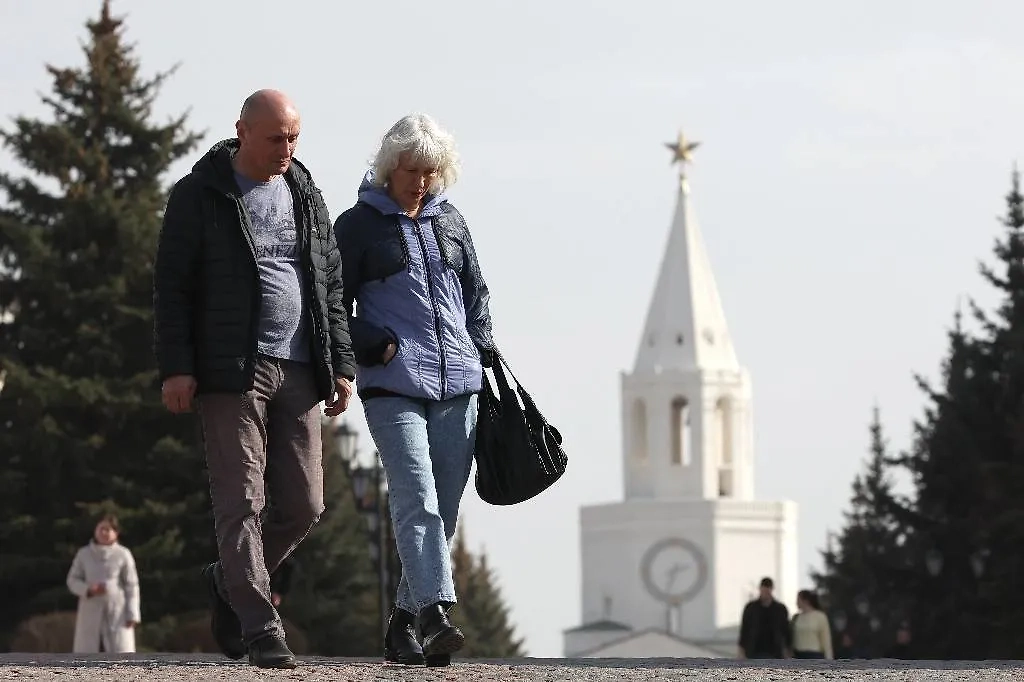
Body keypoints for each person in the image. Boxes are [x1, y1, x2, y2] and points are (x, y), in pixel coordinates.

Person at [153, 89, 356, 669]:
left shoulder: (305, 193)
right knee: (241, 498)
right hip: (230, 370)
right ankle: (261, 624)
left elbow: (328, 286)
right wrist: (178, 367)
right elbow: (173, 288)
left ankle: (230, 575)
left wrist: (341, 363)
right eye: (275, 139)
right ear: (241, 131)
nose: (287, 149)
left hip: (299, 365)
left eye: (294, 137)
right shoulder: (199, 196)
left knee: (306, 503)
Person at [333, 113, 494, 667]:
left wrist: (485, 346)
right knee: (416, 497)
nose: (419, 181)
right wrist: (369, 344)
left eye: (429, 171)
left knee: (442, 511)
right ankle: (435, 612)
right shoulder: (357, 226)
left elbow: (476, 291)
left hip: (459, 388)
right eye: (409, 169)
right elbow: (329, 306)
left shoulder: (452, 222)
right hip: (393, 385)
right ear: (389, 166)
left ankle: (403, 620)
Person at [66, 514, 141, 653]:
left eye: (108, 529)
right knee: (87, 656)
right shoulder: (84, 554)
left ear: (116, 533)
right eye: (101, 528)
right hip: (90, 610)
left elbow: (131, 585)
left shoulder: (123, 554)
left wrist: (132, 613)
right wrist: (88, 589)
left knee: (120, 656)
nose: (104, 533)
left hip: (117, 611)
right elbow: (72, 580)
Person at [738, 577, 792, 659]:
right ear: (760, 589)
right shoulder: (751, 608)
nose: (766, 593)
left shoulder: (780, 609)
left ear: (772, 589)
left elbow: (785, 630)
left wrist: (787, 650)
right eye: (764, 590)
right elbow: (745, 629)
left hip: (775, 651)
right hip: (754, 650)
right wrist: (741, 650)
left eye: (768, 590)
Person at [790, 589, 833, 659]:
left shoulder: (820, 616)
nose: (796, 602)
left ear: (806, 601)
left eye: (798, 599)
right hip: (798, 655)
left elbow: (826, 640)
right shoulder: (796, 617)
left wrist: (829, 659)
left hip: (814, 655)